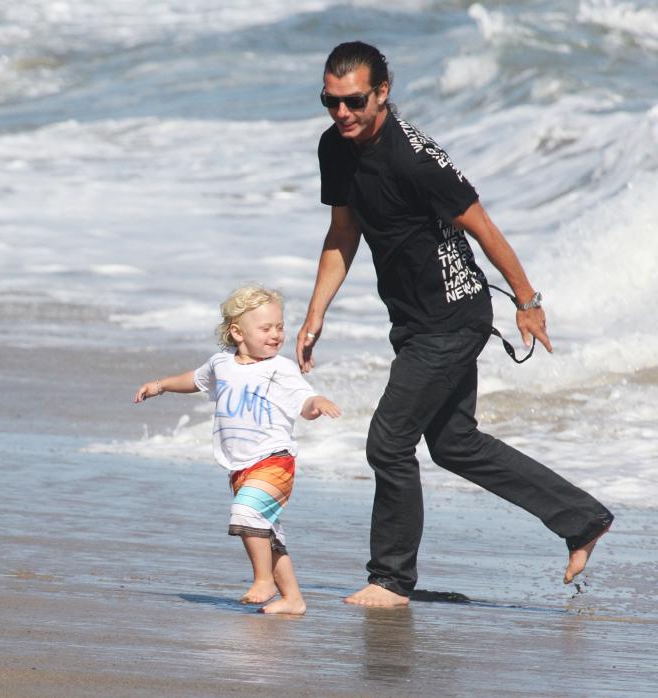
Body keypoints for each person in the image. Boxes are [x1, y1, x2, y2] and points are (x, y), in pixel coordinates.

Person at [297, 41, 613, 607]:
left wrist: (527, 299)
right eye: (330, 101)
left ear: (382, 93)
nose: (341, 113)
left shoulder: (416, 160)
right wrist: (315, 314)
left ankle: (390, 580)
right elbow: (343, 233)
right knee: (453, 444)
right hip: (413, 320)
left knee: (388, 443)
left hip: (453, 318)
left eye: (354, 101)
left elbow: (484, 228)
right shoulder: (335, 148)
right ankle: (581, 519)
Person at [135, 285, 340, 614]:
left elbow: (303, 398)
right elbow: (195, 380)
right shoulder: (221, 364)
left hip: (275, 461)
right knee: (267, 532)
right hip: (240, 468)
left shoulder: (280, 368)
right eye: (265, 328)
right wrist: (160, 386)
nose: (276, 335)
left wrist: (316, 404)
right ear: (237, 332)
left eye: (279, 327)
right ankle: (293, 599)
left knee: (245, 514)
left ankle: (263, 580)